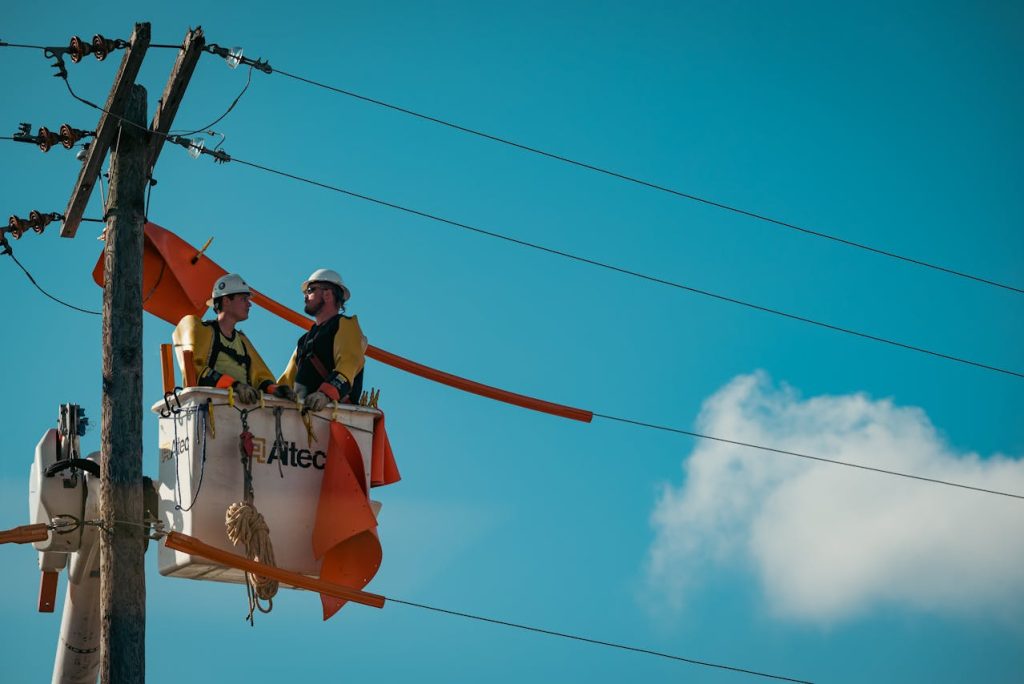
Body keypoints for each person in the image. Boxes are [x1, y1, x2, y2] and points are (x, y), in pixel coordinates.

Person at [172, 273, 295, 404]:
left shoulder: (242, 342)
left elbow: (260, 378)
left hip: (241, 413)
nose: (249, 304)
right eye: (244, 299)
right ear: (226, 301)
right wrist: (235, 386)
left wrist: (275, 389)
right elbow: (198, 370)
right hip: (212, 409)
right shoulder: (205, 332)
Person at [278, 268, 366, 412]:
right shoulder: (304, 340)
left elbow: (349, 362)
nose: (305, 297)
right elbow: (287, 379)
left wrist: (325, 394)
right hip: (301, 414)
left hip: (332, 414)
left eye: (310, 290)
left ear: (327, 294)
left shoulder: (344, 324)